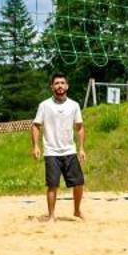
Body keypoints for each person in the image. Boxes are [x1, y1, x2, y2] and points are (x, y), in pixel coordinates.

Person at [31, 74, 87, 221]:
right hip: (51, 151)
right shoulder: (44, 105)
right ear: (52, 87)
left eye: (62, 83)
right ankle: (51, 216)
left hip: (70, 150)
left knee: (79, 183)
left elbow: (80, 127)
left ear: (67, 86)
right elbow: (36, 126)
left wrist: (81, 148)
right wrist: (36, 146)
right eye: (56, 83)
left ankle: (76, 210)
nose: (60, 86)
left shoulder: (74, 105)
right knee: (52, 185)